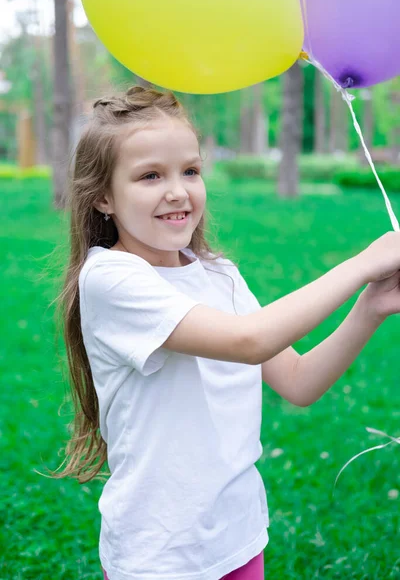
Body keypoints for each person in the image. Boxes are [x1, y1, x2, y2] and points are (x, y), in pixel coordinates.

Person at [54, 85, 400, 580]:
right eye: (150, 176)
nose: (178, 190)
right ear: (104, 197)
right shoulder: (111, 279)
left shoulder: (220, 275)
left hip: (237, 536)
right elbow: (249, 341)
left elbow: (298, 381)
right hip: (161, 554)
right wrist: (364, 264)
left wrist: (371, 308)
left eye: (190, 170)